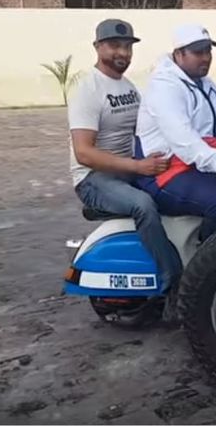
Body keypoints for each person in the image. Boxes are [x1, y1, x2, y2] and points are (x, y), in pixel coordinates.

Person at [67, 18, 183, 294]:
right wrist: (138, 166)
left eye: (127, 47)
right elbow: (84, 153)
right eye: (114, 46)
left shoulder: (129, 87)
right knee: (143, 205)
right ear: (97, 47)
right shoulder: (88, 90)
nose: (122, 53)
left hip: (129, 171)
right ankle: (173, 284)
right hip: (94, 179)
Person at [134, 24, 216, 241]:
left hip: (199, 166)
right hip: (167, 172)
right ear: (179, 54)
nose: (205, 57)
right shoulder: (164, 86)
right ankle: (206, 265)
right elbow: (182, 138)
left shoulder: (205, 84)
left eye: (208, 51)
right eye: (198, 52)